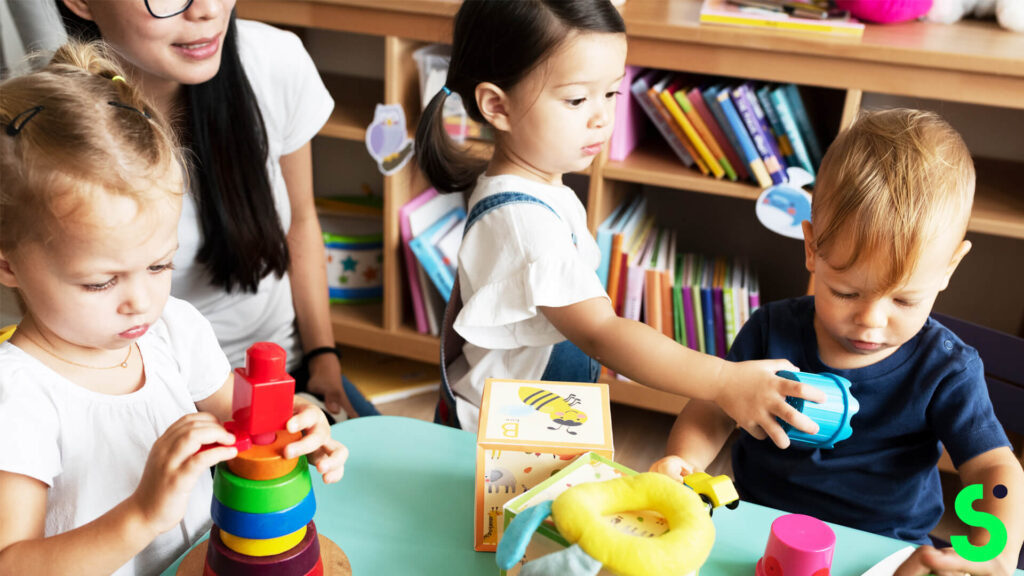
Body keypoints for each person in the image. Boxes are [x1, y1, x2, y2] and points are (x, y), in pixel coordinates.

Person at [0, 41, 347, 576]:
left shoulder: (174, 330)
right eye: (100, 283)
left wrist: (296, 431)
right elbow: (12, 562)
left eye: (160, 266)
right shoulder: (19, 394)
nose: (141, 301)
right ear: (8, 266)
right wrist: (141, 515)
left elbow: (246, 427)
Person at [415, 0, 825, 439]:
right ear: (497, 106)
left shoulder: (536, 188)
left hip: (532, 423)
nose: (602, 117)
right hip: (493, 443)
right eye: (576, 99)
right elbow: (602, 333)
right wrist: (725, 382)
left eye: (611, 92)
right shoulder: (522, 222)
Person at [650, 109, 1023, 571]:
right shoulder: (772, 330)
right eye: (846, 292)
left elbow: (995, 470)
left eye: (904, 301)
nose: (870, 320)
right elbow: (712, 408)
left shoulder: (945, 368)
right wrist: (682, 462)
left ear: (949, 267)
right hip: (759, 533)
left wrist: (995, 552)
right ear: (812, 247)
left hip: (884, 551)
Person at [55, 0, 378, 420]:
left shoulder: (275, 60)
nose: (208, 9)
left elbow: (300, 222)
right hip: (139, 395)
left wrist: (323, 358)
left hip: (275, 370)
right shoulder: (46, 131)